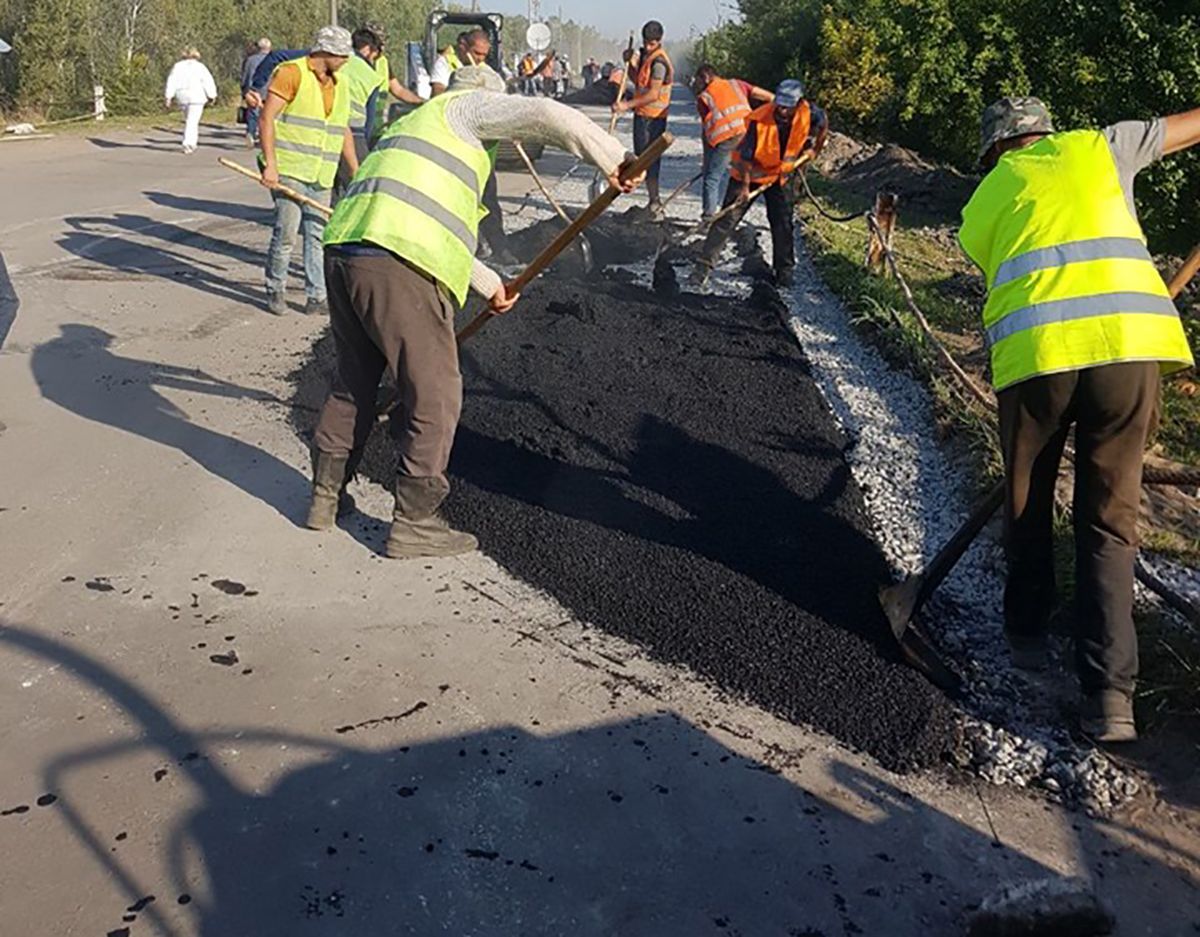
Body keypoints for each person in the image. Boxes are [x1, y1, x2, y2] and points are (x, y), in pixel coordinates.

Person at [308, 65, 643, 558]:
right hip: (397, 260)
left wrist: (490, 285)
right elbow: (546, 112)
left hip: (345, 251)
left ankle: (323, 500)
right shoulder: (465, 108)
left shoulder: (412, 126)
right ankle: (415, 523)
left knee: (355, 379)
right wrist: (615, 160)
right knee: (435, 391)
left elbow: (426, 218)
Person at [957, 97, 1198, 742]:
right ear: (1045, 133)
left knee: (1027, 498)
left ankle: (1027, 634)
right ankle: (1109, 696)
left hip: (1039, 358)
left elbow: (1006, 270)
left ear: (996, 152)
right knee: (1110, 521)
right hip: (1130, 351)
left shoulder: (982, 202)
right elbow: (1190, 125)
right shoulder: (1103, 146)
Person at [258, 26, 357, 316]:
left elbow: (343, 129)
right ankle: (275, 289)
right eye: (341, 56)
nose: (345, 61)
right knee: (286, 233)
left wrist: (355, 171)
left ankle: (317, 296)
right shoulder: (291, 73)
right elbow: (266, 119)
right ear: (325, 52)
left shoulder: (341, 82)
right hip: (290, 169)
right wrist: (271, 165)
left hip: (321, 174)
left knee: (317, 235)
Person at [695, 79, 826, 289]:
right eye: (780, 104)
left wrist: (815, 149)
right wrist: (745, 189)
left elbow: (823, 124)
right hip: (749, 175)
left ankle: (784, 271)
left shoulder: (809, 112)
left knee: (782, 222)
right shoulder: (759, 120)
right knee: (727, 219)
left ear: (798, 102)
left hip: (780, 176)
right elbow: (746, 159)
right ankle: (703, 267)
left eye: (787, 106)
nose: (782, 110)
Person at [692, 64, 774, 219]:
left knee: (712, 178)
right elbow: (770, 97)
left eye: (698, 81)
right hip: (749, 133)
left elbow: (706, 133)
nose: (698, 85)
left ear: (706, 77)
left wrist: (707, 161)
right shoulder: (737, 84)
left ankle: (708, 216)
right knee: (746, 171)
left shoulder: (704, 97)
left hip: (728, 138)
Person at [613, 20, 672, 219]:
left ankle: (655, 204)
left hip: (654, 119)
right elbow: (639, 81)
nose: (647, 47)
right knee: (642, 160)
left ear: (659, 41)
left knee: (649, 162)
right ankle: (652, 201)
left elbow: (654, 94)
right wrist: (629, 64)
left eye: (652, 44)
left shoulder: (659, 63)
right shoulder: (647, 56)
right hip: (642, 115)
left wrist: (626, 105)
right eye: (646, 42)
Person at [164, 47, 217, 154]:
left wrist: (168, 96)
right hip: (197, 96)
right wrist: (212, 95)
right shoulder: (200, 67)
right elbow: (207, 81)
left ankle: (189, 142)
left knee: (189, 119)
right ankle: (189, 143)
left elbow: (172, 81)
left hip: (182, 96)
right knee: (192, 121)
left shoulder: (177, 66)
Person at [240, 37, 271, 146]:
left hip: (253, 90)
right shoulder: (274, 59)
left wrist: (244, 90)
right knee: (267, 114)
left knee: (253, 113)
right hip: (269, 90)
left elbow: (245, 75)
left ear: (258, 47)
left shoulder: (250, 60)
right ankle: (265, 136)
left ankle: (251, 133)